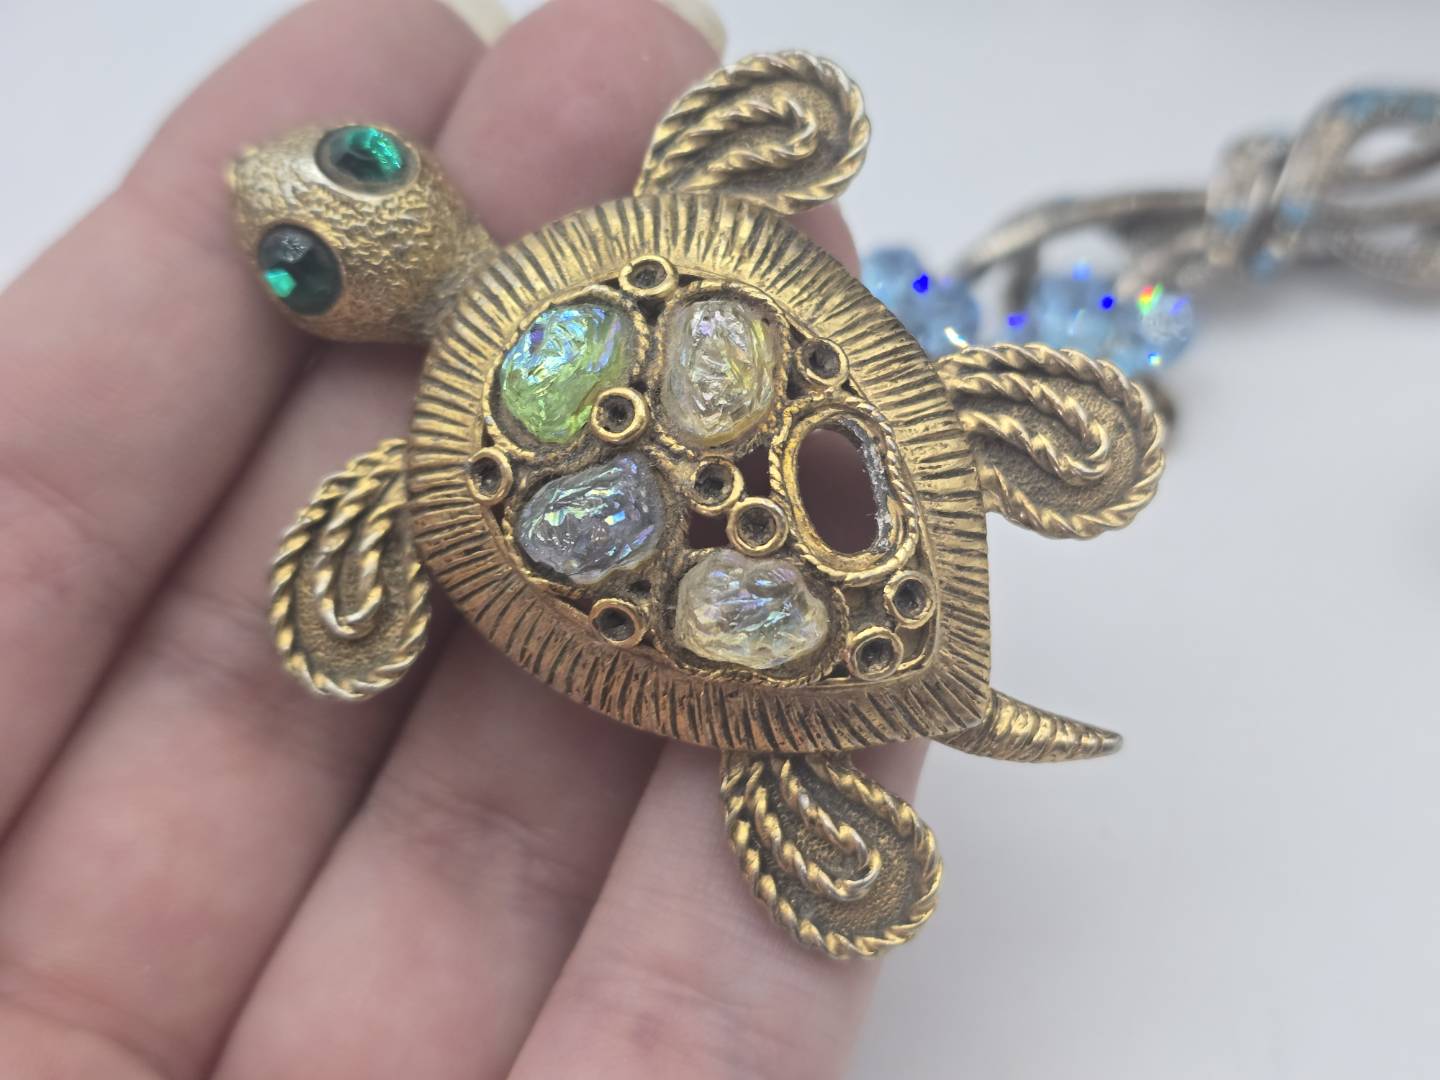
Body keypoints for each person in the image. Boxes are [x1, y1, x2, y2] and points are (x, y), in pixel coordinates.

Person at [0, 1, 925, 1075]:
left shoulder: (426, 477)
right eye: (300, 259)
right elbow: (345, 636)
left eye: (362, 160)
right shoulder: (647, 229)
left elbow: (344, 627)